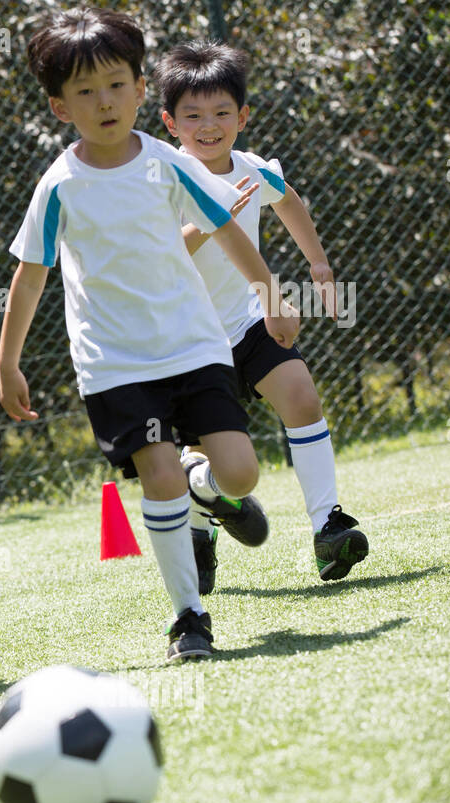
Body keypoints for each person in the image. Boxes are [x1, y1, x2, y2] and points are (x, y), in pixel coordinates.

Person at [0, 7, 299, 663]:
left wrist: (271, 294)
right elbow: (29, 277)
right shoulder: (59, 185)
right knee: (156, 475)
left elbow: (224, 228)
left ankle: (207, 486)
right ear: (59, 106)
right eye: (84, 91)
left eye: (115, 84)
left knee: (241, 472)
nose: (103, 101)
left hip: (194, 345)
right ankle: (189, 616)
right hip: (116, 364)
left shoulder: (169, 163)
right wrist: (8, 363)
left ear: (141, 87)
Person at [155, 40, 369, 589]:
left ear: (243, 117)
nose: (209, 125)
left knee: (301, 396)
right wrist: (212, 217)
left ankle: (328, 526)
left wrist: (318, 266)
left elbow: (287, 198)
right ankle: (201, 534)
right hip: (188, 339)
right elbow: (161, 256)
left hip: (250, 318)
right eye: (193, 115)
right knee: (207, 455)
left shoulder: (251, 169)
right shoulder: (163, 179)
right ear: (169, 122)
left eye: (222, 112)